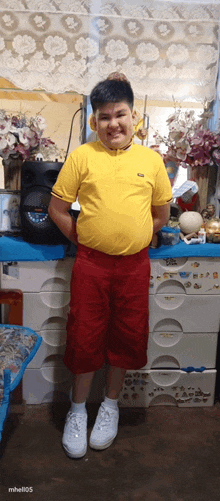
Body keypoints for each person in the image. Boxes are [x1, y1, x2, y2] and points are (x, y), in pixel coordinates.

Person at [48, 75, 172, 459]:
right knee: (84, 335)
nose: (113, 123)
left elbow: (162, 216)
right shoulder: (82, 157)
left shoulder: (151, 161)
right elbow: (56, 210)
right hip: (91, 265)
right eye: (104, 117)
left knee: (127, 335)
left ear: (134, 116)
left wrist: (132, 236)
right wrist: (86, 239)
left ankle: (110, 407)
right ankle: (78, 409)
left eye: (120, 114)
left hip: (135, 267)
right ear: (93, 122)